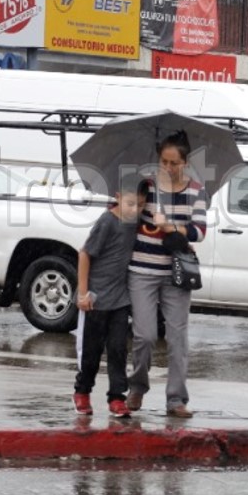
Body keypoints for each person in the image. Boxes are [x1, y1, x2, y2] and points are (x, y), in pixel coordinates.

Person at [127, 132, 208, 417]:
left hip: (176, 273)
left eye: (174, 163)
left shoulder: (196, 190)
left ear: (185, 163)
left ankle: (176, 400)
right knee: (145, 335)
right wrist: (133, 205)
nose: (169, 168)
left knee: (177, 338)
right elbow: (126, 217)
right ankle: (137, 387)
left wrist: (171, 226)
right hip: (142, 269)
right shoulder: (146, 186)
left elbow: (199, 231)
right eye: (164, 161)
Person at [74, 180, 142, 418]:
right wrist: (83, 294)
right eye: (131, 203)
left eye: (140, 206)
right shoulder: (107, 222)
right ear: (117, 196)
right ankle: (82, 391)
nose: (135, 210)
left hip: (120, 299)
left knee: (118, 349)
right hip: (96, 298)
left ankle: (116, 397)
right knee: (91, 351)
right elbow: (84, 254)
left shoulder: (135, 222)